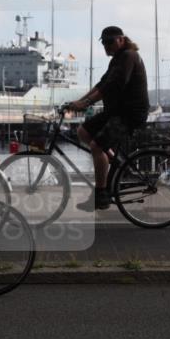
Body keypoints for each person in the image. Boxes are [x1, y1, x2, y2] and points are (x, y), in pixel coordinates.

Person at [65, 26, 149, 210]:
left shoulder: (129, 56)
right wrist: (78, 102)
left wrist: (86, 103)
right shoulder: (116, 60)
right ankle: (115, 161)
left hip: (130, 114)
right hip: (116, 111)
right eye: (104, 42)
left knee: (97, 146)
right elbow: (101, 84)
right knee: (83, 131)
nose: (106, 46)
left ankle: (101, 195)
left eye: (110, 42)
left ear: (121, 39)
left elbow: (112, 87)